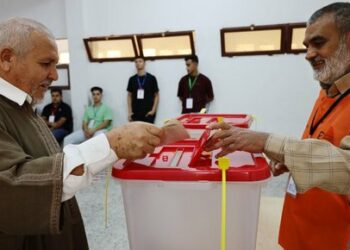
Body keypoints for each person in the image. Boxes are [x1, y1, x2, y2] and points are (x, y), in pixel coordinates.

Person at [0, 17, 161, 250]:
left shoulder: (22, 104)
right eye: (46, 64)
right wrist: (111, 144)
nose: (55, 75)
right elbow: (14, 184)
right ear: (7, 59)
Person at [205, 3, 350, 250]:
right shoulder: (330, 89)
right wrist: (289, 157)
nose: (308, 54)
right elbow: (324, 142)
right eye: (307, 46)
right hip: (303, 227)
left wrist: (266, 141)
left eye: (318, 42)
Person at [127, 56, 159, 123]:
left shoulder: (152, 78)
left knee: (148, 132)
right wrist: (130, 112)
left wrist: (153, 110)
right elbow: (129, 95)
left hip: (148, 112)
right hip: (135, 112)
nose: (138, 63)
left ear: (144, 63)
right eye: (136, 62)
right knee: (136, 132)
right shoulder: (132, 79)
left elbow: (156, 95)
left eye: (140, 61)